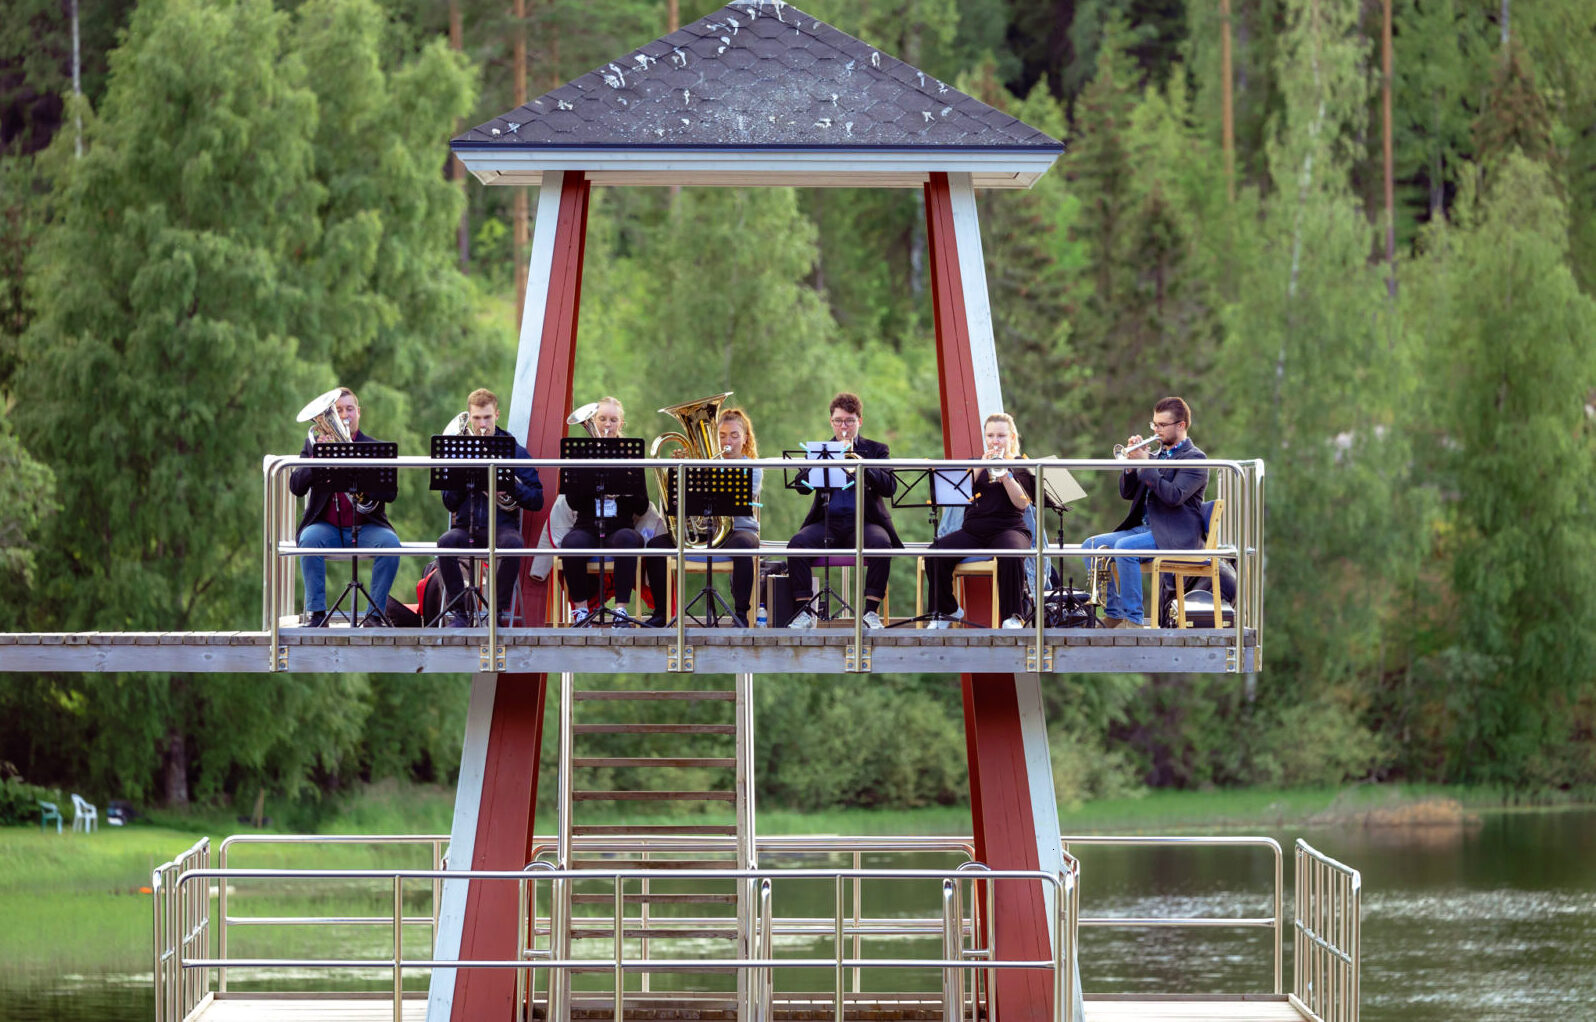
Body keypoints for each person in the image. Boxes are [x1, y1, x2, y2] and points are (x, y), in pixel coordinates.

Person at [1083, 396, 1207, 627]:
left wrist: (1146, 464)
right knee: (1090, 546)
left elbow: (1173, 496)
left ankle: (1133, 620)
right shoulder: (1156, 456)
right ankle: (1114, 611)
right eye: (1154, 424)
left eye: (1162, 425)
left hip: (1175, 533)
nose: (1156, 430)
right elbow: (1127, 493)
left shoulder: (1196, 459)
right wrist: (1131, 465)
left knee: (1123, 549)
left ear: (1181, 425)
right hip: (1144, 529)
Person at [785, 392, 902, 629]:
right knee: (796, 544)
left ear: (860, 421)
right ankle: (804, 612)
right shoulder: (821, 450)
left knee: (882, 543)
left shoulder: (877, 450)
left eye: (849, 421)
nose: (844, 427)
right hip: (828, 520)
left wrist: (862, 465)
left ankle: (870, 612)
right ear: (831, 422)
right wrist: (818, 465)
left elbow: (890, 487)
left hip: (864, 522)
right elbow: (801, 488)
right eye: (838, 421)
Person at [289, 387, 402, 627]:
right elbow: (296, 486)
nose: (344, 414)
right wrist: (319, 458)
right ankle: (317, 614)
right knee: (308, 540)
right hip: (326, 526)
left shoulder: (374, 448)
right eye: (338, 410)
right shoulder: (314, 447)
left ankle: (375, 615)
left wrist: (361, 478)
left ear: (358, 412)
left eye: (349, 408)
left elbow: (390, 494)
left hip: (366, 526)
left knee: (391, 545)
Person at [437, 388, 544, 628]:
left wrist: (510, 489)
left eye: (487, 417)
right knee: (445, 543)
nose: (482, 424)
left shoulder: (514, 451)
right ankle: (461, 613)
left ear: (497, 415)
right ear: (469, 417)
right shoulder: (460, 452)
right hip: (467, 527)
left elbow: (537, 499)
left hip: (502, 526)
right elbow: (449, 502)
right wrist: (464, 477)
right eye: (476, 418)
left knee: (514, 545)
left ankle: (496, 612)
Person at [558, 396, 667, 627]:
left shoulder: (630, 458)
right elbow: (573, 503)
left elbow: (642, 506)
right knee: (571, 543)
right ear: (594, 421)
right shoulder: (580, 456)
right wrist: (590, 484)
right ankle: (580, 611)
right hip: (587, 526)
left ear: (621, 423)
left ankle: (621, 611)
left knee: (629, 539)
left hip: (620, 527)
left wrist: (623, 489)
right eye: (602, 419)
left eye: (613, 420)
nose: (607, 424)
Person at [924, 413, 1034, 629]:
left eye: (1001, 436)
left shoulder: (1020, 464)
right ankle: (948, 609)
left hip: (1009, 528)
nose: (995, 441)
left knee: (1011, 554)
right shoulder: (975, 464)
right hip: (974, 530)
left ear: (1011, 437)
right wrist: (981, 466)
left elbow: (1022, 503)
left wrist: (1005, 475)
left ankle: (1012, 616)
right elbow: (957, 495)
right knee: (934, 553)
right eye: (991, 435)